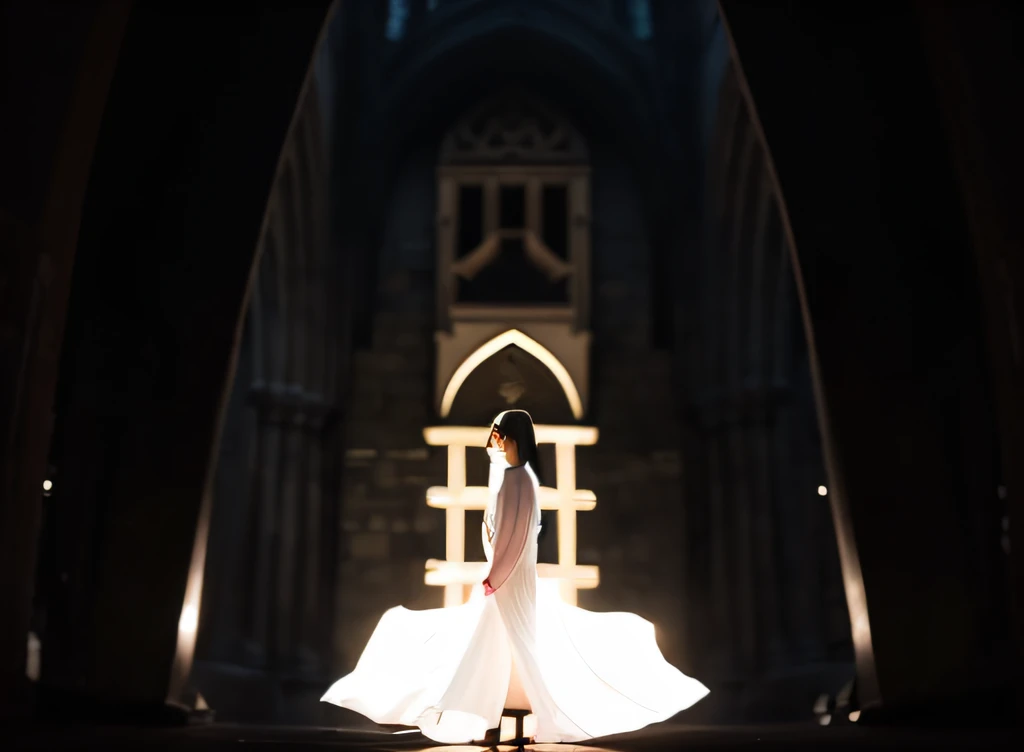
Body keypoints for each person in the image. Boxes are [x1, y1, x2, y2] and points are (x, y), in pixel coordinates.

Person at [321, 409, 708, 743]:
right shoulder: (516, 479)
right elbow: (506, 529)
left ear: (508, 437)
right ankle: (495, 714)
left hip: (509, 579)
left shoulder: (517, 480)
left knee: (511, 643)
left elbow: (515, 535)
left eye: (497, 435)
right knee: (501, 646)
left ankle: (509, 715)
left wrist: (495, 576)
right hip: (509, 577)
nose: (492, 441)